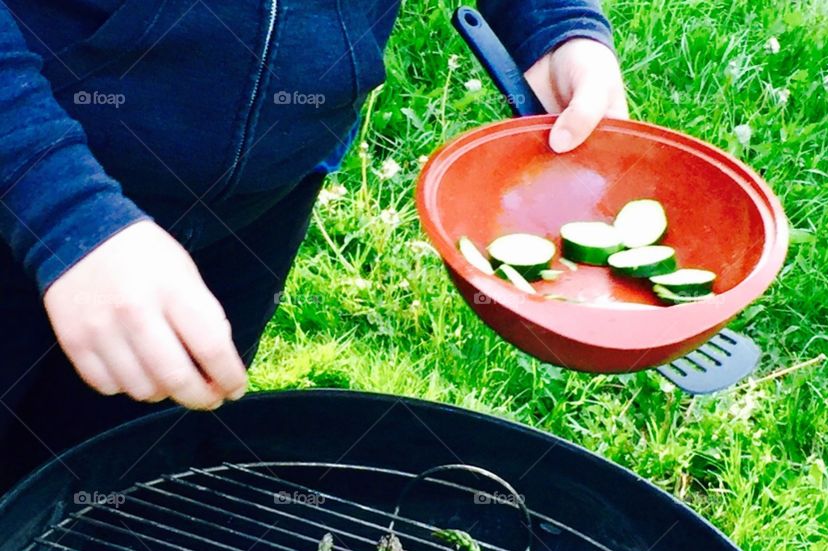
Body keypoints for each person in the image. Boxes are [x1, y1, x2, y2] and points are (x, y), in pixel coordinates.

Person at [0, 1, 627, 486]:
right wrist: (60, 207)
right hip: (28, 168)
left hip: (257, 208)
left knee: (110, 481)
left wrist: (554, 23)